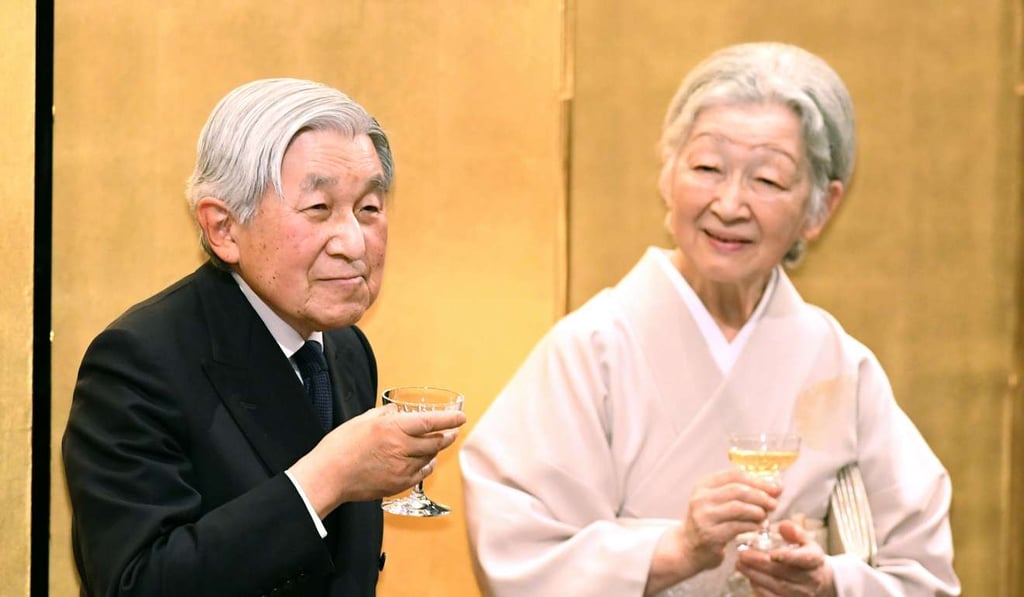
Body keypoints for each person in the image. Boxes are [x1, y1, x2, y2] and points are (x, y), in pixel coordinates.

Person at [460, 42, 960, 596]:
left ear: (821, 208)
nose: (728, 203)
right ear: (667, 175)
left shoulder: (840, 366)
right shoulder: (594, 348)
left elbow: (923, 575)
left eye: (767, 180)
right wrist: (675, 550)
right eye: (706, 167)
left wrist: (829, 584)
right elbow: (516, 550)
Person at [62, 78, 466, 597]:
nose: (352, 242)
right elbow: (137, 583)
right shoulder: (138, 361)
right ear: (224, 228)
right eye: (319, 209)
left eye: (369, 208)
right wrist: (330, 475)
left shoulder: (346, 349)